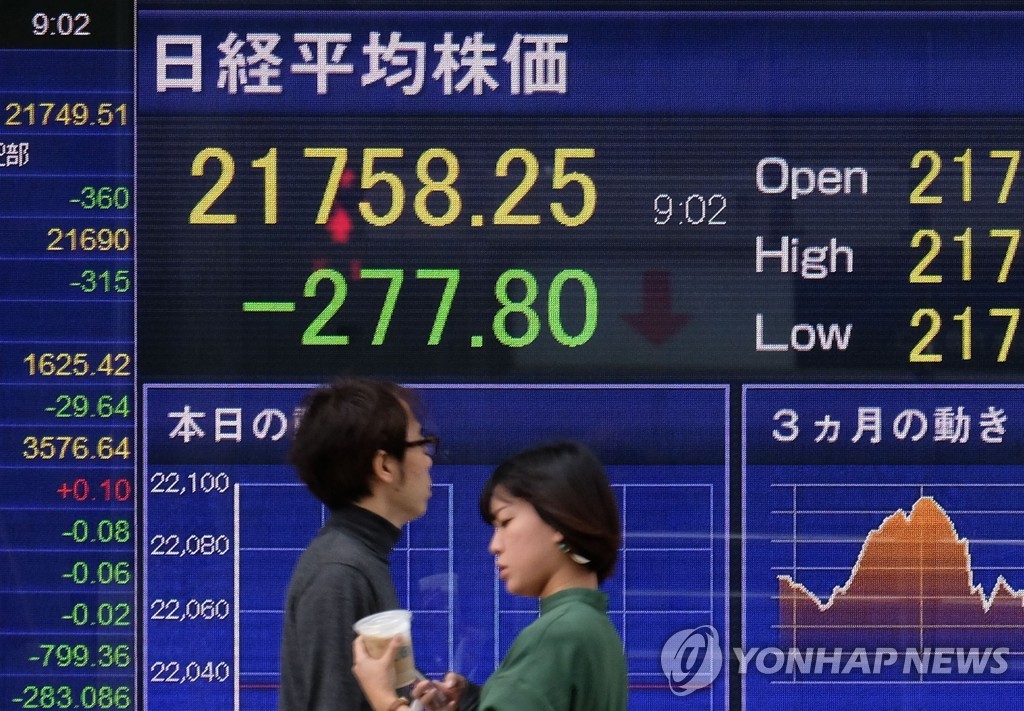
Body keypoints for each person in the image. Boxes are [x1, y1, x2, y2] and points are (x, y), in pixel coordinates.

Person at [352, 441, 628, 711]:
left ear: (560, 519)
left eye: (506, 521)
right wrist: (474, 701)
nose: (494, 545)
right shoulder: (597, 630)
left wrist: (384, 698)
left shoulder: (557, 636)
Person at [278, 378, 439, 711]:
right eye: (421, 443)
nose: (428, 459)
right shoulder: (340, 572)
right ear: (384, 465)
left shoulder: (356, 558)